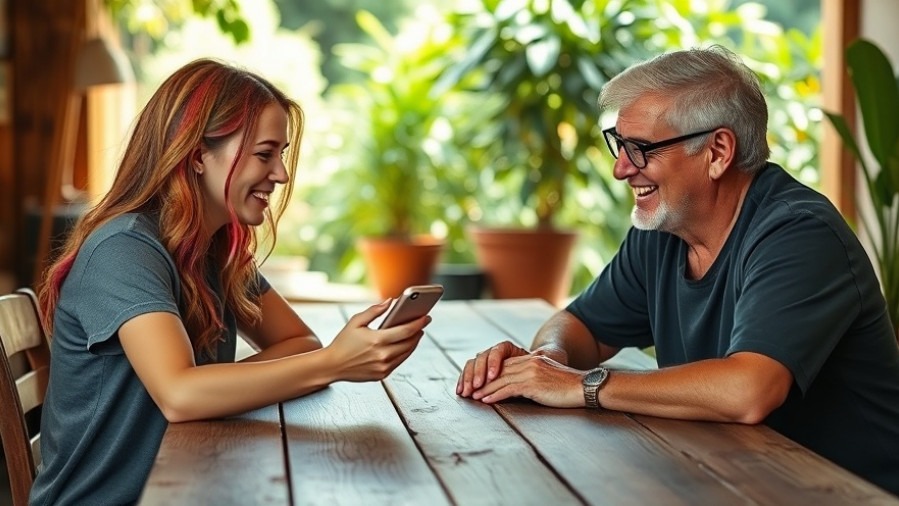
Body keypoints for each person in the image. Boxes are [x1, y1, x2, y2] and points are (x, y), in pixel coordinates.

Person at [456, 45, 899, 495]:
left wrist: (584, 386)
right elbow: (580, 325)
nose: (620, 169)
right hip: (730, 481)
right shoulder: (664, 231)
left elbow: (749, 390)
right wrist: (550, 359)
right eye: (619, 144)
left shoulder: (800, 233)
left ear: (718, 152)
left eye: (641, 148)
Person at [29, 59, 430, 504]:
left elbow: (300, 341)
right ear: (199, 154)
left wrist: (216, 388)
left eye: (281, 153)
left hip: (189, 487)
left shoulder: (215, 250)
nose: (280, 173)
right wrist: (333, 364)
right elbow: (180, 395)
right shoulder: (124, 250)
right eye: (264, 154)